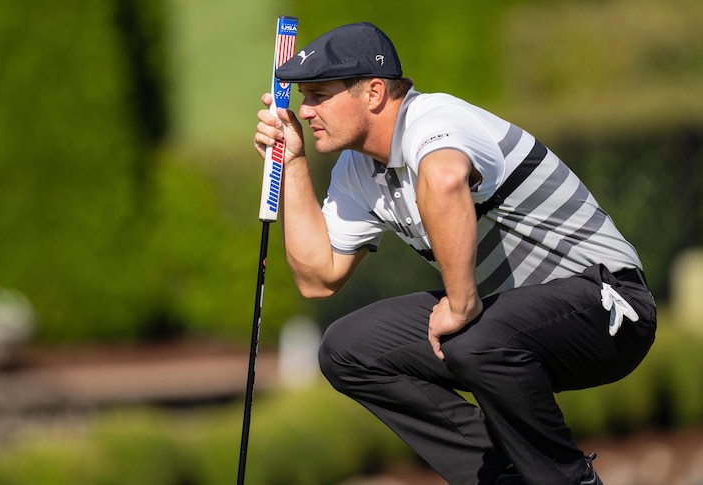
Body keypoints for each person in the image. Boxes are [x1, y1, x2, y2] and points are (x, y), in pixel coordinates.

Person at [253, 22, 656, 485]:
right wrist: (295, 162)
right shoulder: (356, 167)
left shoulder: (436, 119)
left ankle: (567, 480)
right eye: (303, 97)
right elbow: (317, 278)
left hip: (611, 306)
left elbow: (444, 181)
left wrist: (461, 304)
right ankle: (506, 476)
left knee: (468, 335)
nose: (305, 112)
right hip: (508, 324)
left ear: (374, 93)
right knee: (347, 351)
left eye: (319, 95)